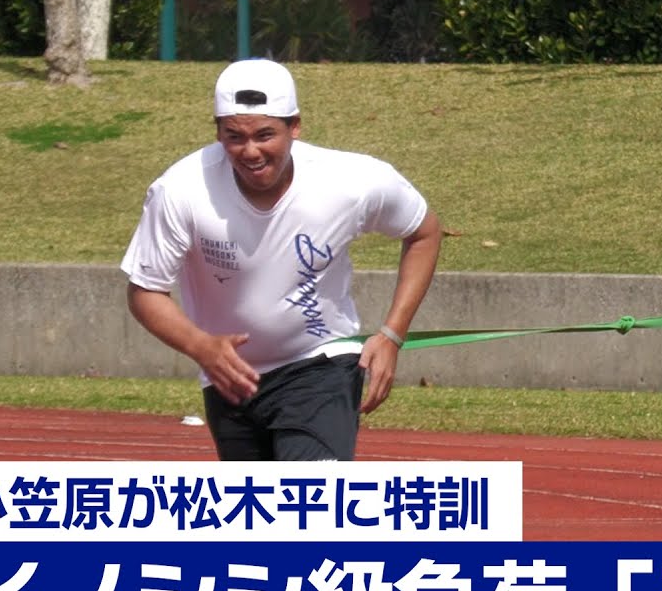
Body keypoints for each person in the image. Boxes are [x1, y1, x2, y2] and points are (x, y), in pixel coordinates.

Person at [121, 58, 442, 461]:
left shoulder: (352, 182)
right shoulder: (180, 190)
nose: (250, 151)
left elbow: (424, 232)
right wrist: (200, 346)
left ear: (295, 127)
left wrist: (392, 335)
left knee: (308, 494)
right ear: (217, 132)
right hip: (230, 378)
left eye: (265, 135)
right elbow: (145, 290)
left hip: (320, 364)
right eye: (234, 136)